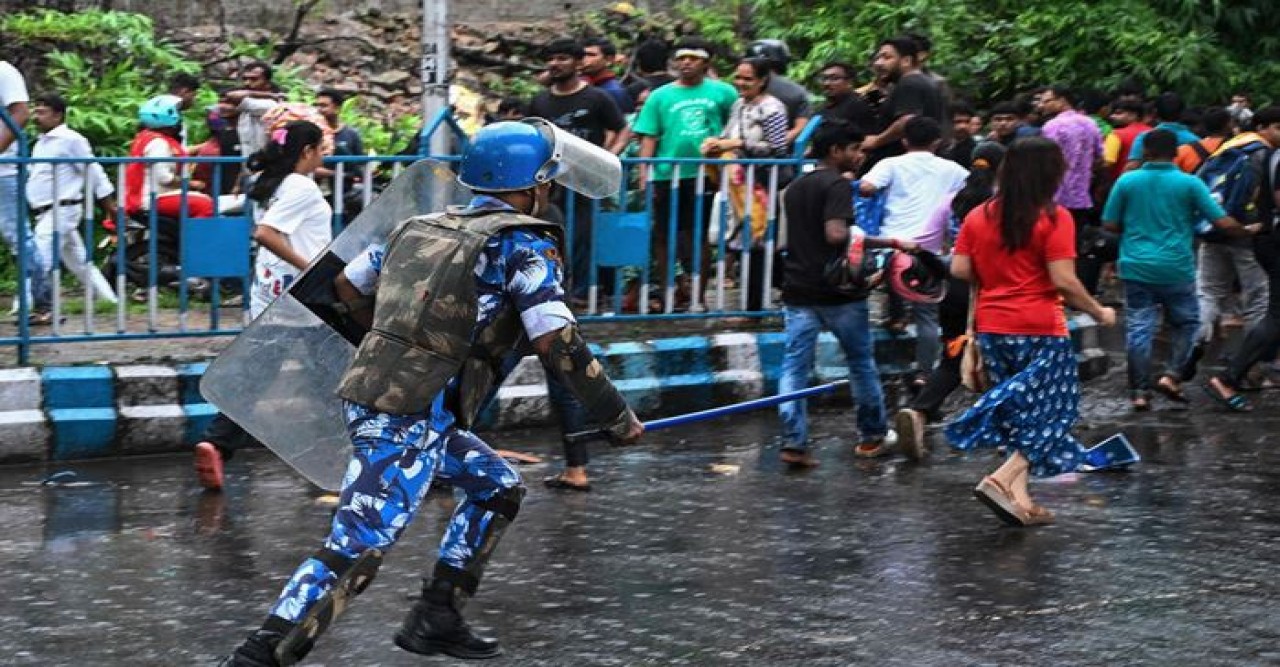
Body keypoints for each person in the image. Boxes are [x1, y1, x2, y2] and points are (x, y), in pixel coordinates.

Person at [219, 119, 643, 665]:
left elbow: (347, 284)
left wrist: (399, 346)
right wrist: (616, 417)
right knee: (358, 545)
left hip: (399, 400)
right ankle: (257, 656)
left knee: (496, 487)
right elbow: (557, 342)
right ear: (536, 184)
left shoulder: (418, 226)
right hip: (408, 412)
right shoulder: (523, 243)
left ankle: (436, 616)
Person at [946, 136, 1116, 527]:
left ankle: (1020, 499)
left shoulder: (979, 215)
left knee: (1021, 415)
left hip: (993, 327)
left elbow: (959, 269)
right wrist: (1098, 311)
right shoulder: (1054, 217)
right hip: (1040, 327)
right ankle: (1001, 478)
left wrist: (998, 272)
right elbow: (1064, 280)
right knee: (1057, 412)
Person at [193, 121, 334, 492]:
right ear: (307, 151)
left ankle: (216, 443)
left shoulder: (273, 182)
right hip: (305, 300)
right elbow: (266, 233)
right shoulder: (300, 186)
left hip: (271, 296)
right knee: (340, 375)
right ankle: (363, 455)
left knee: (257, 379)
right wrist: (312, 269)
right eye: (320, 149)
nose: (323, 156)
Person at [1101, 129, 1258, 410]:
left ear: (1145, 152)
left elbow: (1110, 224)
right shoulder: (1190, 183)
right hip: (1176, 266)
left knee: (1139, 327)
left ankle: (1139, 392)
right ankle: (1172, 375)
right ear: (1175, 153)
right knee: (1187, 324)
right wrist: (1249, 230)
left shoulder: (1127, 181)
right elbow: (1221, 222)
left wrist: (1136, 228)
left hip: (1135, 265)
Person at [776, 120, 901, 467]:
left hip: (798, 288)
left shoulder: (796, 187)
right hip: (839, 293)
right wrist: (875, 242)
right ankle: (872, 436)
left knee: (794, 367)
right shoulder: (837, 185)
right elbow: (835, 234)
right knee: (860, 363)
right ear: (835, 151)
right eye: (855, 149)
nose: (860, 155)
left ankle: (793, 442)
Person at [895, 141, 1005, 460]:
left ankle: (919, 411)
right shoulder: (1006, 205)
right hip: (997, 289)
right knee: (1006, 359)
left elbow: (923, 243)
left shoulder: (952, 202)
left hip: (956, 287)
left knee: (952, 358)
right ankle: (1005, 431)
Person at [859, 116, 968, 388]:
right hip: (929, 249)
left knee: (870, 299)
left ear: (905, 141)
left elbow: (866, 187)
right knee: (927, 316)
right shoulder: (953, 170)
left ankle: (889, 332)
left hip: (890, 243)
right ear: (937, 142)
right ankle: (925, 373)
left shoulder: (890, 164)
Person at [631, 36, 737, 311]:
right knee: (663, 235)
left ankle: (699, 298)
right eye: (681, 58)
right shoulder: (660, 96)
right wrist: (644, 175)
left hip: (706, 174)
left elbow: (735, 128)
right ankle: (669, 294)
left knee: (698, 236)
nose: (686, 63)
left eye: (693, 58)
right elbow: (649, 137)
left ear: (706, 62)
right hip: (666, 175)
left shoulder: (724, 92)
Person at [1203, 106, 1280, 412]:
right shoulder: (1267, 154)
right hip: (1264, 239)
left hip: (1253, 236)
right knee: (1271, 313)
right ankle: (1231, 377)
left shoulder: (1245, 149)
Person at [701, 57, 790, 311]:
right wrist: (716, 144)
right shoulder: (739, 104)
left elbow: (778, 148)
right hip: (738, 184)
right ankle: (787, 289)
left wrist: (739, 144)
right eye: (738, 77)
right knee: (747, 244)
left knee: (758, 244)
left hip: (762, 183)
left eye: (747, 78)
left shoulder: (773, 108)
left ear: (762, 80)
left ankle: (754, 309)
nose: (740, 83)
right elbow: (728, 135)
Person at [25, 93, 119, 306]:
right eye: (35, 111)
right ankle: (110, 301)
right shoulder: (42, 142)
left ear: (57, 115)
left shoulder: (71, 140)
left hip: (61, 209)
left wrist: (110, 207)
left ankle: (24, 306)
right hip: (47, 211)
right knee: (80, 262)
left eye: (42, 112)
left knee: (39, 257)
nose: (36, 117)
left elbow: (93, 173)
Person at [0, 57, 51, 321]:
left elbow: (20, 112)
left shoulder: (3, 71)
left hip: (4, 171)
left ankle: (42, 303)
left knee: (18, 237)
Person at [122, 95, 215, 221]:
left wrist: (203, 146)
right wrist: (191, 184)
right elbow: (164, 177)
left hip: (152, 195)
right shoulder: (158, 143)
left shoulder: (147, 137)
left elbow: (174, 154)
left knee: (201, 200)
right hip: (153, 198)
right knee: (206, 205)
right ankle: (193, 234)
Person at [860, 36, 945, 173]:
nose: (879, 63)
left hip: (904, 167)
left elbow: (908, 120)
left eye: (887, 57)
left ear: (906, 61)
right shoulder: (925, 83)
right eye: (878, 58)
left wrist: (877, 141)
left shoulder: (909, 83)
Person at [744, 39, 812, 147]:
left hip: (742, 151)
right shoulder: (796, 91)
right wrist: (777, 143)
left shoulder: (742, 87)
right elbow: (801, 127)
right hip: (782, 153)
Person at [815, 61, 876, 134]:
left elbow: (868, 137)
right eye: (824, 78)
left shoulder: (858, 105)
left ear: (849, 82)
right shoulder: (822, 110)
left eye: (834, 78)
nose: (826, 83)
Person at [582, 37, 633, 113]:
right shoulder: (586, 85)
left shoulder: (613, 91)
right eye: (582, 55)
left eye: (591, 55)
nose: (584, 59)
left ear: (609, 59)